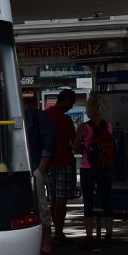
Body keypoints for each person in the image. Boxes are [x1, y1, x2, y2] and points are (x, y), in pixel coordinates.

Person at [73, 93, 114, 249]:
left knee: (88, 202)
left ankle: (89, 237)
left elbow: (76, 148)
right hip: (105, 168)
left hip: (88, 168)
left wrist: (82, 147)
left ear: (89, 108)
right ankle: (109, 235)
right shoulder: (108, 126)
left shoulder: (83, 127)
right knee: (107, 201)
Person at [24, 98, 56, 255]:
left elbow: (49, 141)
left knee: (41, 205)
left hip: (34, 166)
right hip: (22, 167)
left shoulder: (37, 115)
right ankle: (39, 244)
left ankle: (46, 244)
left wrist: (41, 167)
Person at [45, 89, 77, 245]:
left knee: (53, 197)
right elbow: (74, 141)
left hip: (48, 162)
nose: (70, 107)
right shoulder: (65, 120)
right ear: (65, 100)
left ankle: (54, 230)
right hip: (64, 161)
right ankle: (59, 232)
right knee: (61, 198)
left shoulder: (45, 116)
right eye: (70, 103)